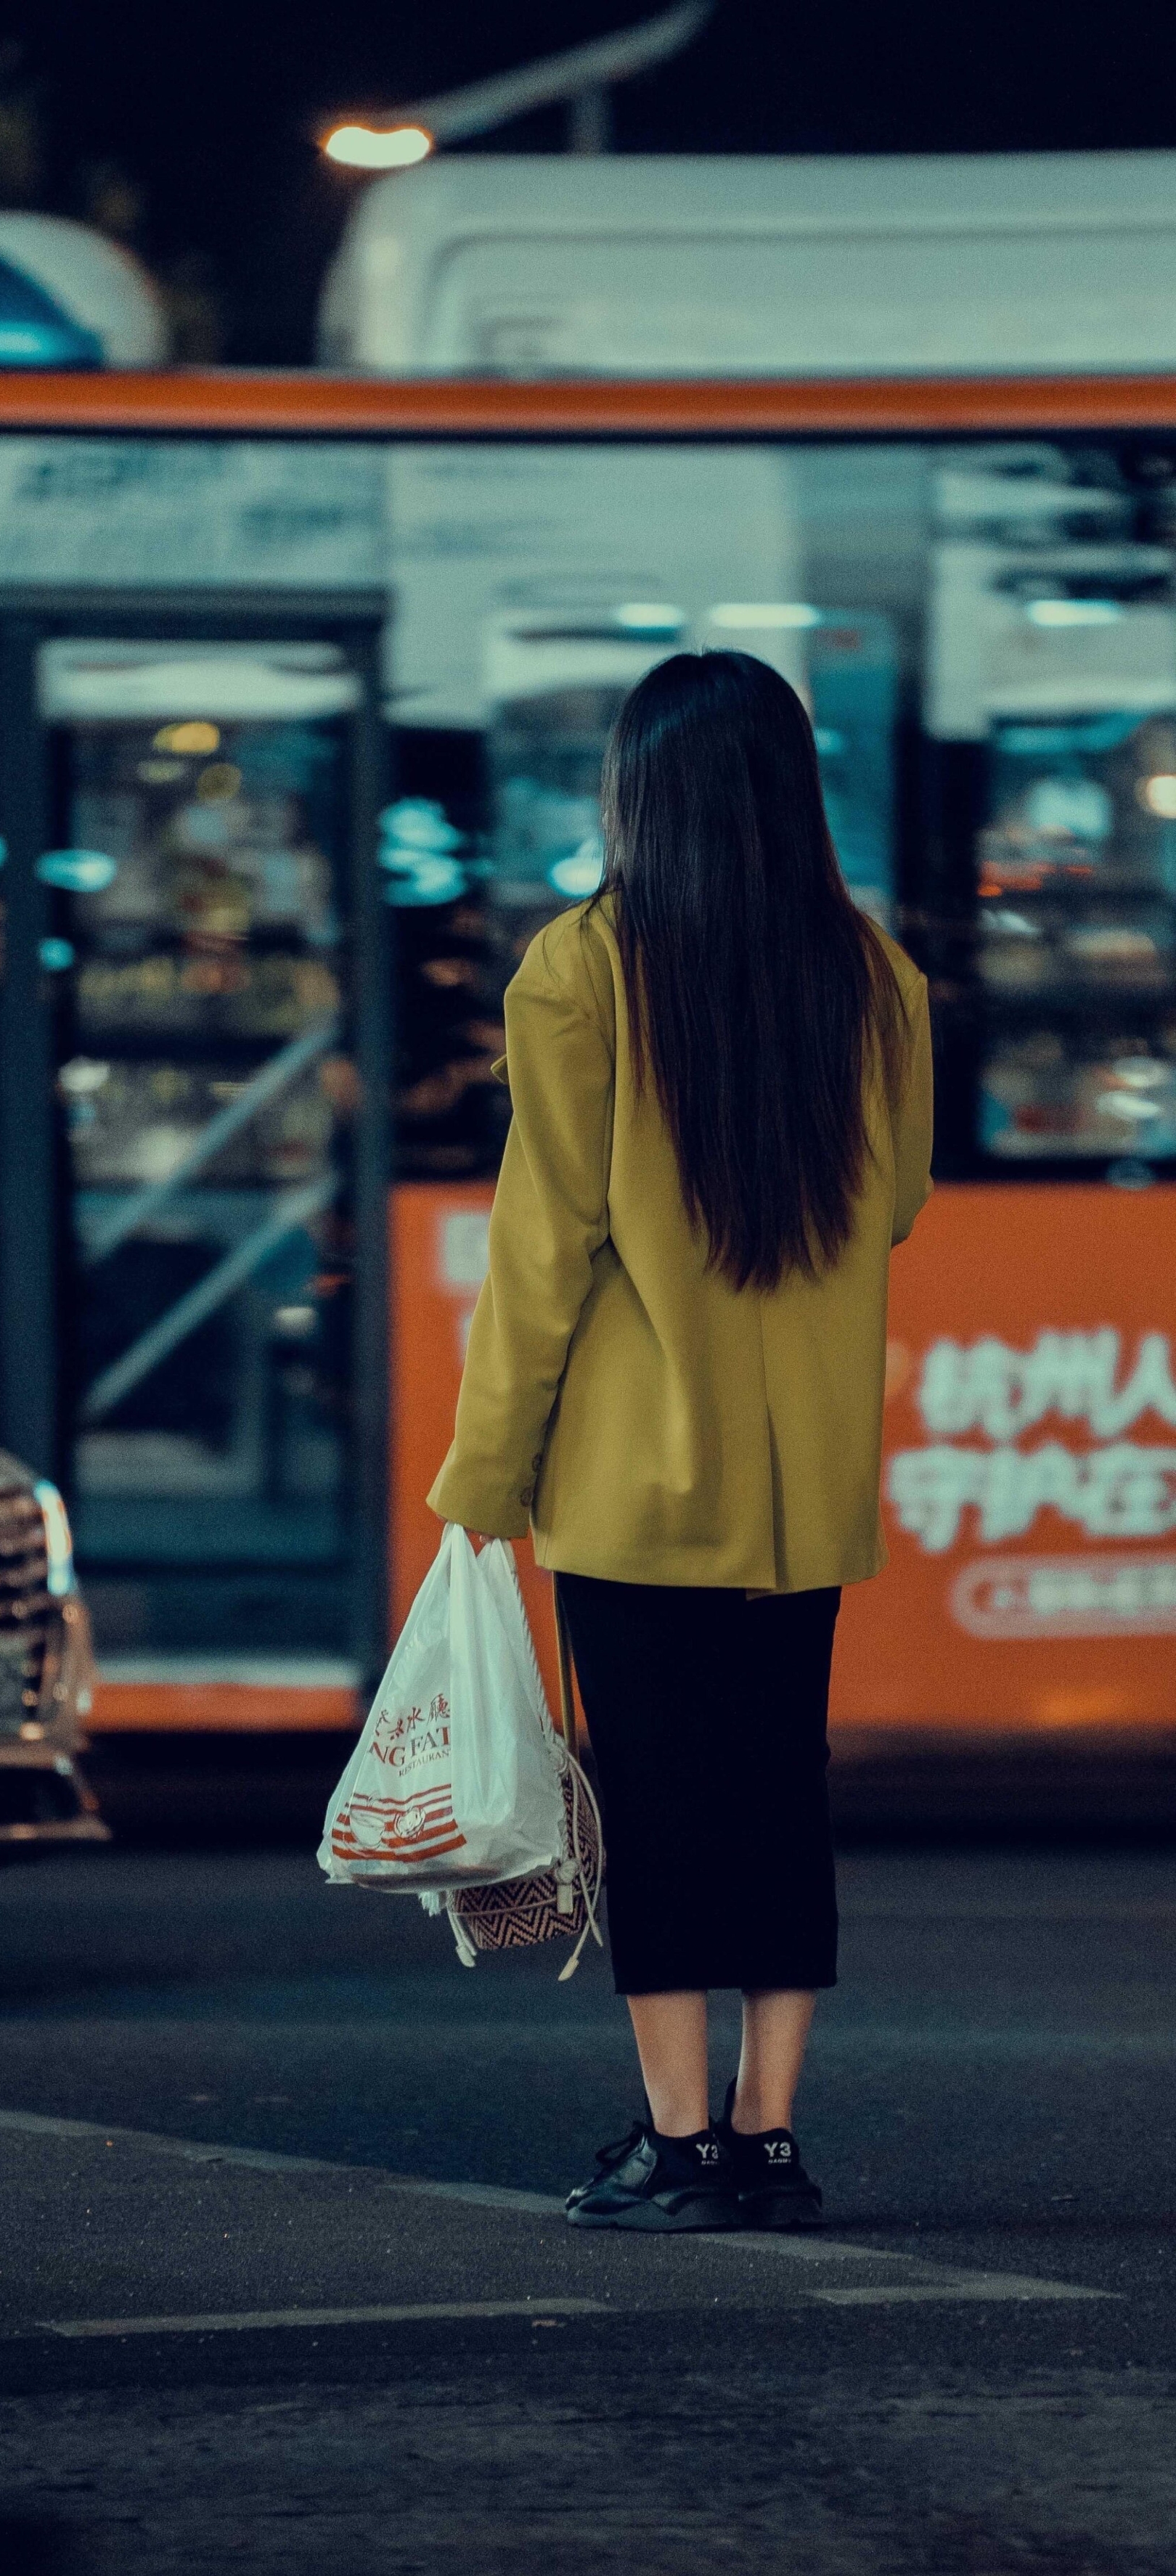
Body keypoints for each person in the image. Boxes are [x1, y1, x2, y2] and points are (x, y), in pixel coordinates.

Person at [428, 649, 933, 2233]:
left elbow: (542, 1251)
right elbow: (898, 1199)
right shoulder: (871, 976)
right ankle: (768, 2138)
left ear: (635, 796)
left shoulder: (580, 970)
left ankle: (675, 2136)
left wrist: (481, 1479)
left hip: (635, 1485)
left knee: (648, 1803)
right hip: (801, 1491)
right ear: (792, 790)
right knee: (781, 1788)